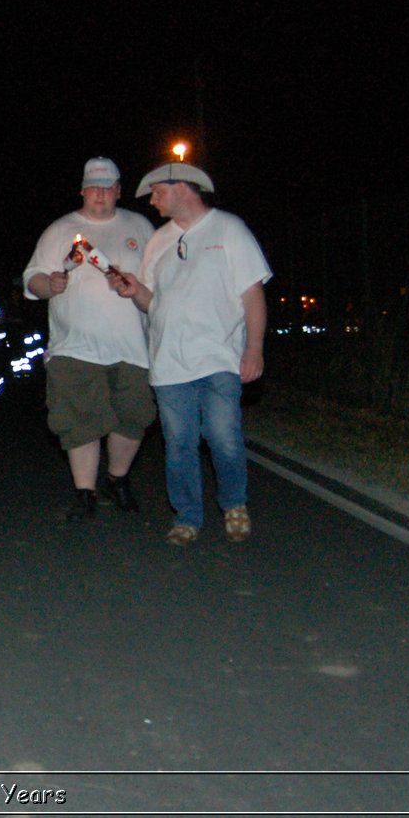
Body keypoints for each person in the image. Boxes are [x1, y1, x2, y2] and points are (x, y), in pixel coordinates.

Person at [107, 162, 270, 547]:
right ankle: (187, 517)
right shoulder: (158, 241)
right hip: (169, 362)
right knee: (178, 442)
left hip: (218, 357)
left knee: (222, 435)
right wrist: (134, 291)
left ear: (182, 187)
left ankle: (234, 505)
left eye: (158, 191)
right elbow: (152, 301)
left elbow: (252, 294)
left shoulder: (229, 230)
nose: (152, 199)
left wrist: (255, 348)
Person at [22, 157, 155, 518]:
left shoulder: (140, 227)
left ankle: (117, 478)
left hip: (132, 347)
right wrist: (49, 283)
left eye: (108, 187)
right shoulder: (60, 230)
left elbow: (158, 285)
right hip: (75, 346)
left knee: (133, 415)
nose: (101, 194)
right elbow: (31, 279)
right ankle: (85, 493)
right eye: (94, 187)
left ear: (119, 190)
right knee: (80, 419)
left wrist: (135, 288)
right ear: (82, 190)